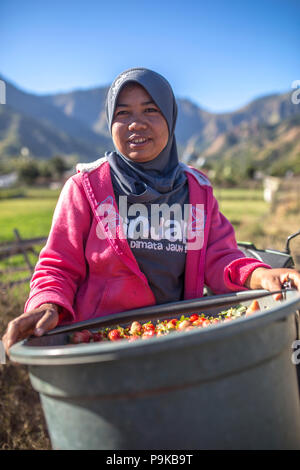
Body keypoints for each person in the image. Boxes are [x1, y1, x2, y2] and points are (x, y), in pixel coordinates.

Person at [2, 67, 300, 354]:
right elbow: (58, 265)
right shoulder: (87, 188)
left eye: (150, 110)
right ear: (110, 122)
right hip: (102, 346)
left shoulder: (196, 190)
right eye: (123, 113)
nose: (136, 123)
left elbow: (219, 257)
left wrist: (261, 275)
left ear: (170, 118)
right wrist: (47, 304)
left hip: (177, 340)